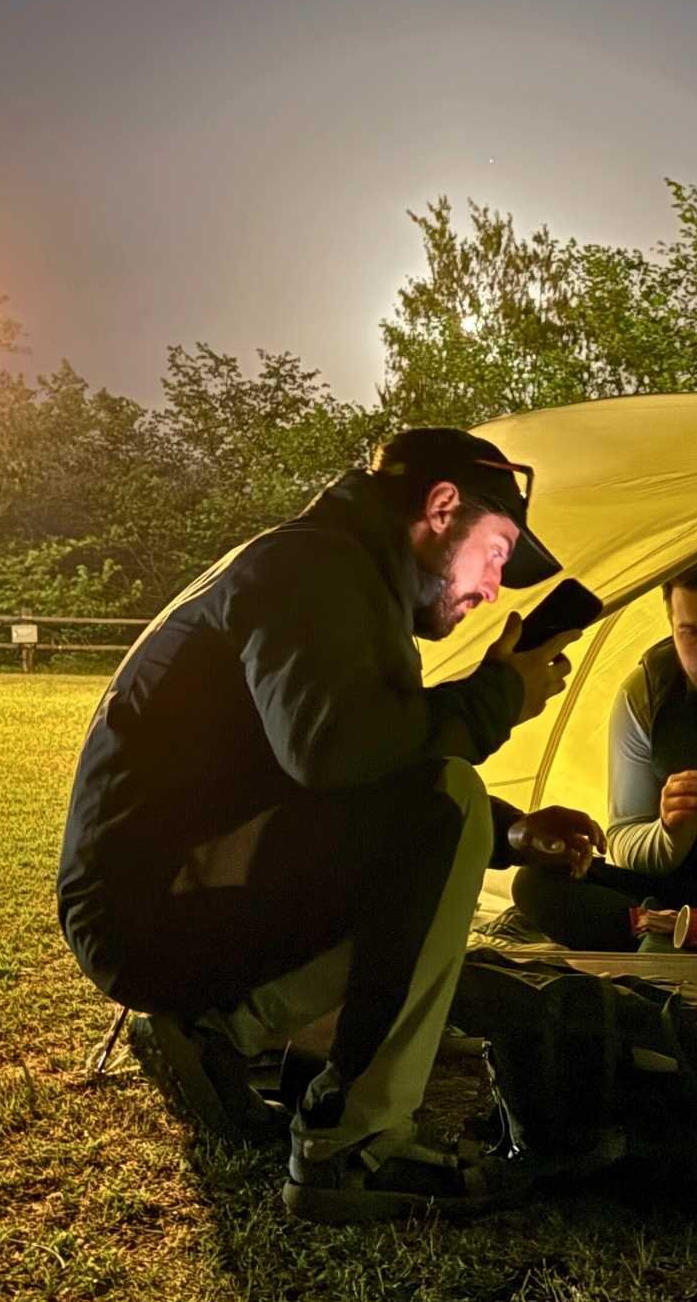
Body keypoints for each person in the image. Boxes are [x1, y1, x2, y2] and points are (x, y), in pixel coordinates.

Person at [57, 429, 605, 1224]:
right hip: (150, 904)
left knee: (441, 820)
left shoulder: (335, 575)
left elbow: (365, 777)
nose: (494, 589)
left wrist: (512, 833)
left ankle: (217, 1028)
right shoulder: (312, 569)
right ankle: (354, 1146)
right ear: (441, 509)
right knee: (445, 801)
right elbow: (333, 750)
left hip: (162, 894)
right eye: (495, 553)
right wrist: (493, 701)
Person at [512, 537, 697, 952]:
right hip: (680, 891)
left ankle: (689, 936)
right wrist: (670, 832)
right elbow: (625, 840)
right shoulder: (647, 691)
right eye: (690, 632)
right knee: (537, 881)